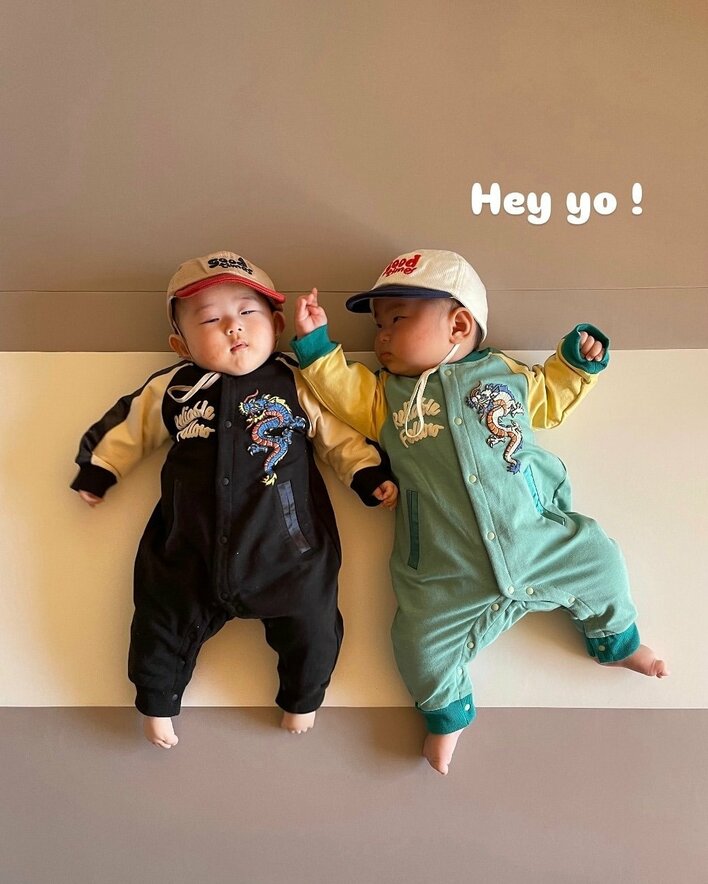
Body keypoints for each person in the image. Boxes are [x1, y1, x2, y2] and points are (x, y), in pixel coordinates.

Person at [292, 248, 668, 775]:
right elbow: (341, 391)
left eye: (396, 320)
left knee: (600, 559)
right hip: (445, 568)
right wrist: (315, 344)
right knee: (415, 643)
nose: (381, 337)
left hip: (537, 538)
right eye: (378, 325)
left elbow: (548, 396)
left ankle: (618, 640)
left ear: (459, 325)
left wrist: (576, 363)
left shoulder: (504, 375)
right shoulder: (386, 398)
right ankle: (447, 715)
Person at [72, 250, 397, 749]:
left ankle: (303, 697)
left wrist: (368, 474)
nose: (232, 327)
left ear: (277, 325)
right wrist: (99, 469)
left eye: (247, 312)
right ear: (181, 344)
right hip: (189, 551)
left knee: (313, 622)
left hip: (287, 553)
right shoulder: (174, 388)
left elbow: (339, 436)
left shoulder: (295, 381)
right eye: (210, 319)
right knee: (160, 620)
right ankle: (157, 703)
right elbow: (129, 425)